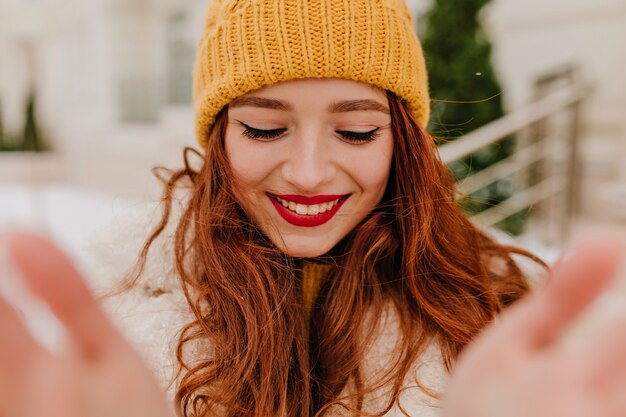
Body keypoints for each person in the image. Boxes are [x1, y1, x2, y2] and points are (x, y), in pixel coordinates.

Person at [1, 1, 625, 416]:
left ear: (401, 141)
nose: (306, 174)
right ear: (218, 137)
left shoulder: (501, 319)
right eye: (264, 130)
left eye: (355, 133)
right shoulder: (118, 329)